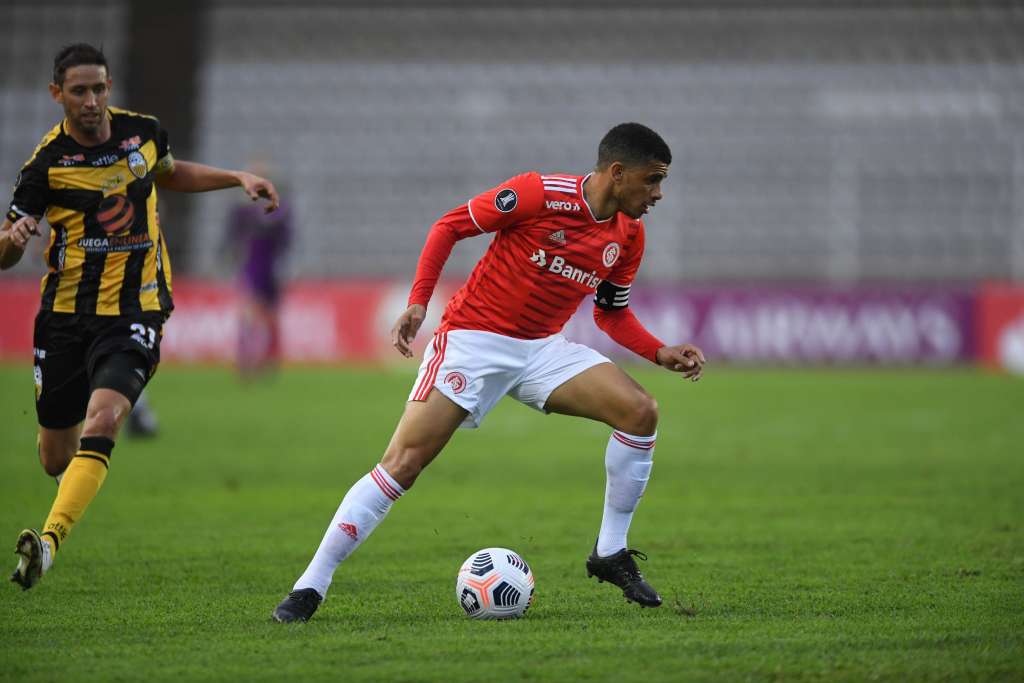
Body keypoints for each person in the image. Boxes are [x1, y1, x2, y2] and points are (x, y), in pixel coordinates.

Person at [272, 122, 705, 623]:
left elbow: (611, 313)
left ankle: (610, 552)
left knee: (640, 412)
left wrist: (658, 352)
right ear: (617, 172)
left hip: (542, 348)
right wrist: (418, 303)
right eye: (652, 180)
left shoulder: (629, 234)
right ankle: (311, 585)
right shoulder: (538, 194)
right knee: (404, 462)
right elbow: (449, 226)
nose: (657, 194)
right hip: (474, 340)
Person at [2, 43, 280, 590]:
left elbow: (171, 174)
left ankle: (49, 544)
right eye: (79, 91)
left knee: (105, 420)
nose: (91, 101)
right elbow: (9, 247)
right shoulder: (45, 165)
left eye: (99, 88)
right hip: (64, 314)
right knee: (53, 456)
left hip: (137, 307)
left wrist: (235, 177)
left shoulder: (143, 133)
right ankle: (80, 472)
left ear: (110, 87)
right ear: (57, 94)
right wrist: (11, 242)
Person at [222, 162, 292, 379]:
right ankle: (245, 360)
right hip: (252, 265)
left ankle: (269, 361)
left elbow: (286, 239)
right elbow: (232, 237)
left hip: (271, 267)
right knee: (249, 313)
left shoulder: (279, 209)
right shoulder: (243, 210)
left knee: (270, 316)